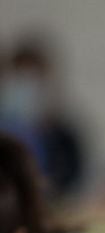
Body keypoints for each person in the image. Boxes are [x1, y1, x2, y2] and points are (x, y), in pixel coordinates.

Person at [0, 35, 86, 197]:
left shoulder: (64, 135)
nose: (26, 89)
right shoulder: (7, 131)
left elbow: (74, 180)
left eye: (34, 78)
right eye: (20, 78)